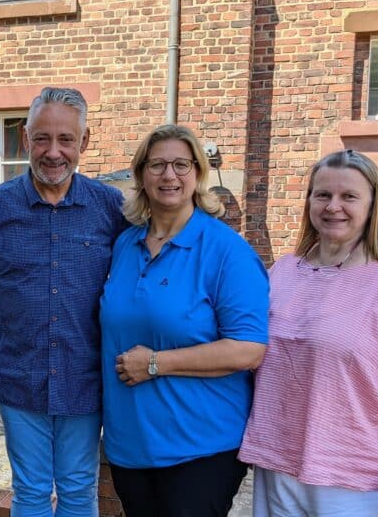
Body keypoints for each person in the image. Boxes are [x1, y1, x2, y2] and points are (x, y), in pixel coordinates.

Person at [239, 149, 378, 517]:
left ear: (374, 205)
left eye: (349, 197)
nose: (333, 206)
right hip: (279, 462)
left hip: (364, 475)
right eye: (322, 195)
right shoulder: (284, 271)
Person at [0, 87, 128, 517]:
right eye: (42, 138)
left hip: (84, 375)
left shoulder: (111, 207)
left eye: (66, 140)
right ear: (25, 138)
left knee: (78, 490)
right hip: (19, 376)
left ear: (85, 142)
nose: (53, 152)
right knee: (32, 491)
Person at [99, 124, 268, 517]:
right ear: (141, 174)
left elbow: (249, 349)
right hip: (131, 446)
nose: (169, 175)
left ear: (197, 174)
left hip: (200, 447)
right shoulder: (125, 244)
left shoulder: (226, 251)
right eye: (157, 165)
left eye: (181, 164)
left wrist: (156, 363)